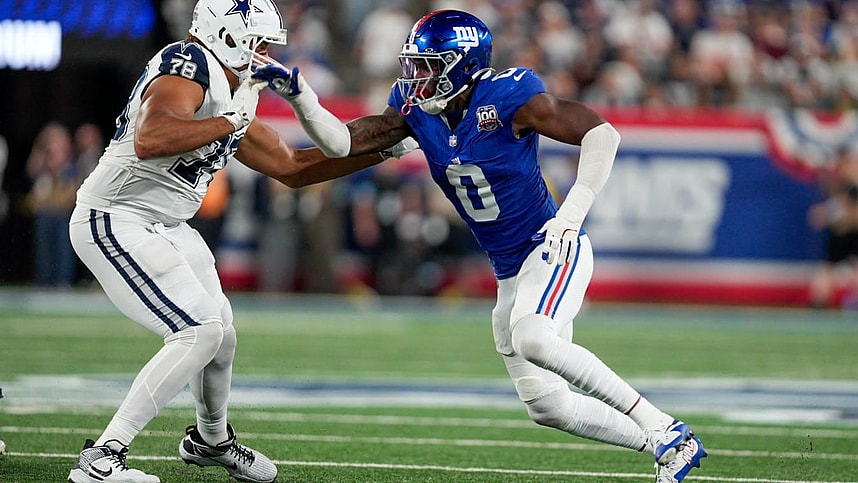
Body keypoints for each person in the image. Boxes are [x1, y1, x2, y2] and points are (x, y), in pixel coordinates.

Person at [252, 9, 707, 483]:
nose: (416, 77)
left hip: (550, 247)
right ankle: (666, 446)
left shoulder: (507, 96)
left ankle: (663, 426)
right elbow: (342, 143)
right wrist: (301, 97)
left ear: (462, 66)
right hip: (509, 270)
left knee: (533, 338)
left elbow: (601, 133)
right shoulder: (416, 111)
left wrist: (571, 215)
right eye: (414, 64)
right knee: (548, 406)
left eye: (428, 66)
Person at [66, 0, 392, 482]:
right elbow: (151, 138)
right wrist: (230, 121)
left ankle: (211, 440)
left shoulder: (233, 91)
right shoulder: (188, 62)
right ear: (227, 36)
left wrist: (382, 150)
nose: (265, 54)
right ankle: (103, 457)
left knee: (221, 334)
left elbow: (291, 167)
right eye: (258, 42)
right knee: (199, 330)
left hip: (167, 224)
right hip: (116, 216)